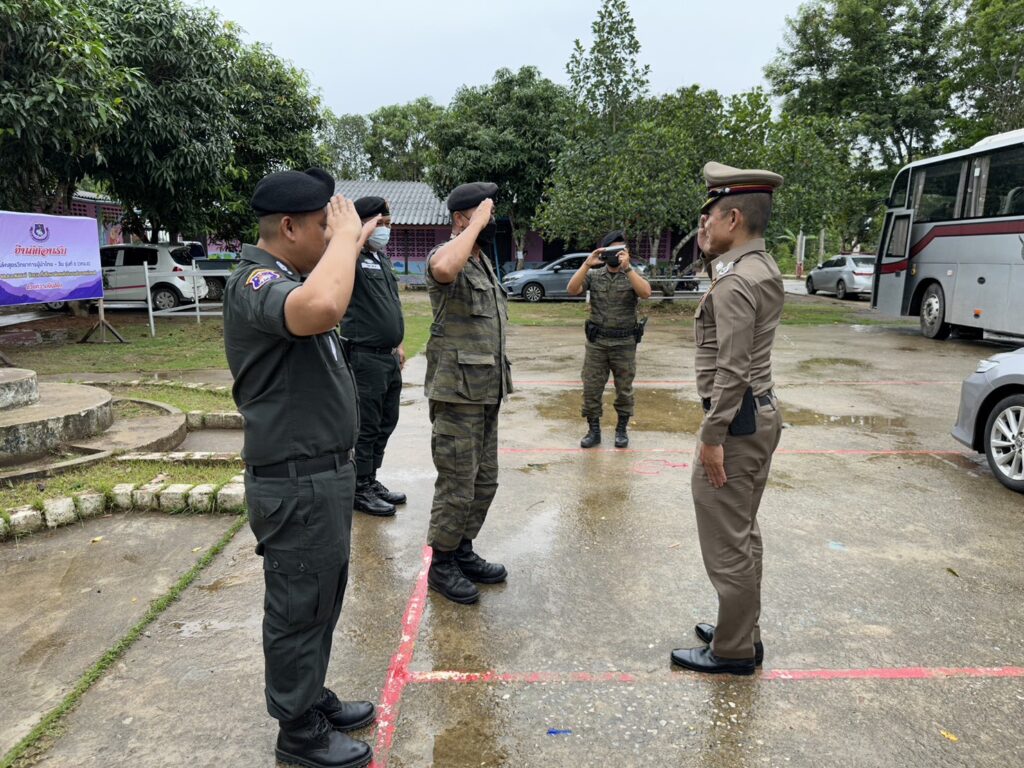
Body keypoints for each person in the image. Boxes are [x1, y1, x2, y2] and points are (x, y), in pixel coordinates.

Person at [223, 168, 379, 768]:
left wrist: (342, 241)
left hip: (320, 475)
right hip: (294, 480)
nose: (332, 236)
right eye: (322, 226)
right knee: (298, 605)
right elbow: (322, 308)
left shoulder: (293, 278)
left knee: (320, 599)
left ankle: (309, 696)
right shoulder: (256, 280)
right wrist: (347, 240)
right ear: (289, 228)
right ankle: (298, 731)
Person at [670, 162, 785, 676]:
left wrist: (711, 437)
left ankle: (733, 650)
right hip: (759, 413)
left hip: (737, 422)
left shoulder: (737, 282)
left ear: (733, 218)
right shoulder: (760, 266)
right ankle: (741, 631)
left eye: (710, 218)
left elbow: (732, 369)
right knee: (743, 533)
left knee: (727, 544)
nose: (704, 226)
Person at [423, 181, 512, 605]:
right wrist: (473, 226)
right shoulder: (446, 254)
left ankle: (461, 550)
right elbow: (443, 269)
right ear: (461, 218)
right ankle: (441, 564)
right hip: (457, 393)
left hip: (487, 390)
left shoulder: (483, 262)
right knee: (457, 485)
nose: (491, 219)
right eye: (483, 212)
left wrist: (476, 228)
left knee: (484, 481)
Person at [341, 196, 407, 517]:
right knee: (366, 426)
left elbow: (392, 303)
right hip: (364, 356)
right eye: (379, 223)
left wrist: (400, 344)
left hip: (389, 357)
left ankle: (370, 478)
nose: (385, 230)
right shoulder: (349, 255)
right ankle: (359, 487)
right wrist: (360, 235)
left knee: (386, 421)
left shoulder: (381, 259)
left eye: (387, 224)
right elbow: (338, 270)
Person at [567, 230, 652, 448]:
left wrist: (628, 268)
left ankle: (621, 430)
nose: (617, 255)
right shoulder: (594, 275)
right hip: (598, 343)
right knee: (591, 388)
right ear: (604, 253)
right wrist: (586, 264)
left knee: (624, 390)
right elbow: (572, 289)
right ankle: (593, 430)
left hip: (624, 344)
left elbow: (646, 293)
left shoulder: (632, 275)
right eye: (612, 251)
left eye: (621, 250)